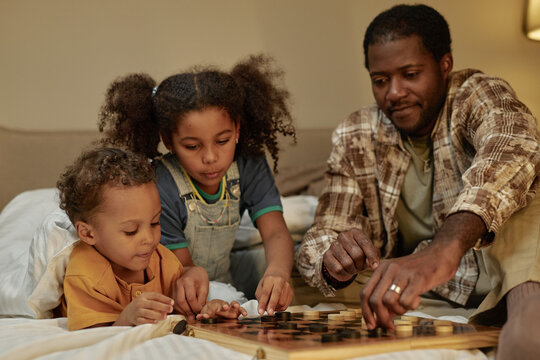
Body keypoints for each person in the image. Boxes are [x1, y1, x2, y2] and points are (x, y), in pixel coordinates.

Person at [295, 4, 539, 359]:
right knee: (290, 275)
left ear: (445, 65)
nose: (394, 93)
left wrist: (445, 249)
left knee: (528, 193)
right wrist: (335, 257)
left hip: (501, 270)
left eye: (410, 74)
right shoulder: (356, 134)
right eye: (380, 81)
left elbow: (514, 148)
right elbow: (326, 230)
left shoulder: (475, 93)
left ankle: (528, 319)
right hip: (423, 288)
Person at [98, 54, 295, 318]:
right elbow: (183, 268)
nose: (210, 157)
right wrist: (198, 283)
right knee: (225, 296)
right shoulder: (160, 183)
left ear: (237, 129)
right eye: (192, 146)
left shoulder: (249, 163)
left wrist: (278, 274)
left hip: (225, 274)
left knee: (286, 265)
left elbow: (275, 233)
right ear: (168, 139)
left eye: (222, 141)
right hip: (184, 281)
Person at [57, 147, 247, 330]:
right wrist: (126, 319)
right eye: (131, 231)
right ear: (89, 234)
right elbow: (92, 341)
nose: (149, 238)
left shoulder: (164, 262)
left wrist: (209, 312)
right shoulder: (84, 275)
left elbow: (186, 312)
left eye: (155, 222)